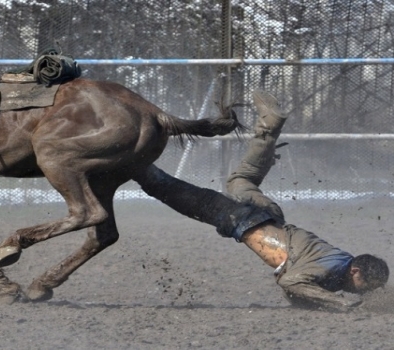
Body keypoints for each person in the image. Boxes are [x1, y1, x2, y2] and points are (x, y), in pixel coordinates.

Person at [134, 91, 389, 312]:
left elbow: (297, 289)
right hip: (243, 219)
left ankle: (269, 126)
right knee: (161, 187)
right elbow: (291, 282)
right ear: (356, 272)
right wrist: (339, 303)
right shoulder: (330, 269)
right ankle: (131, 161)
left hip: (269, 217)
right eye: (366, 288)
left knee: (241, 179)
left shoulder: (340, 262)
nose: (362, 294)